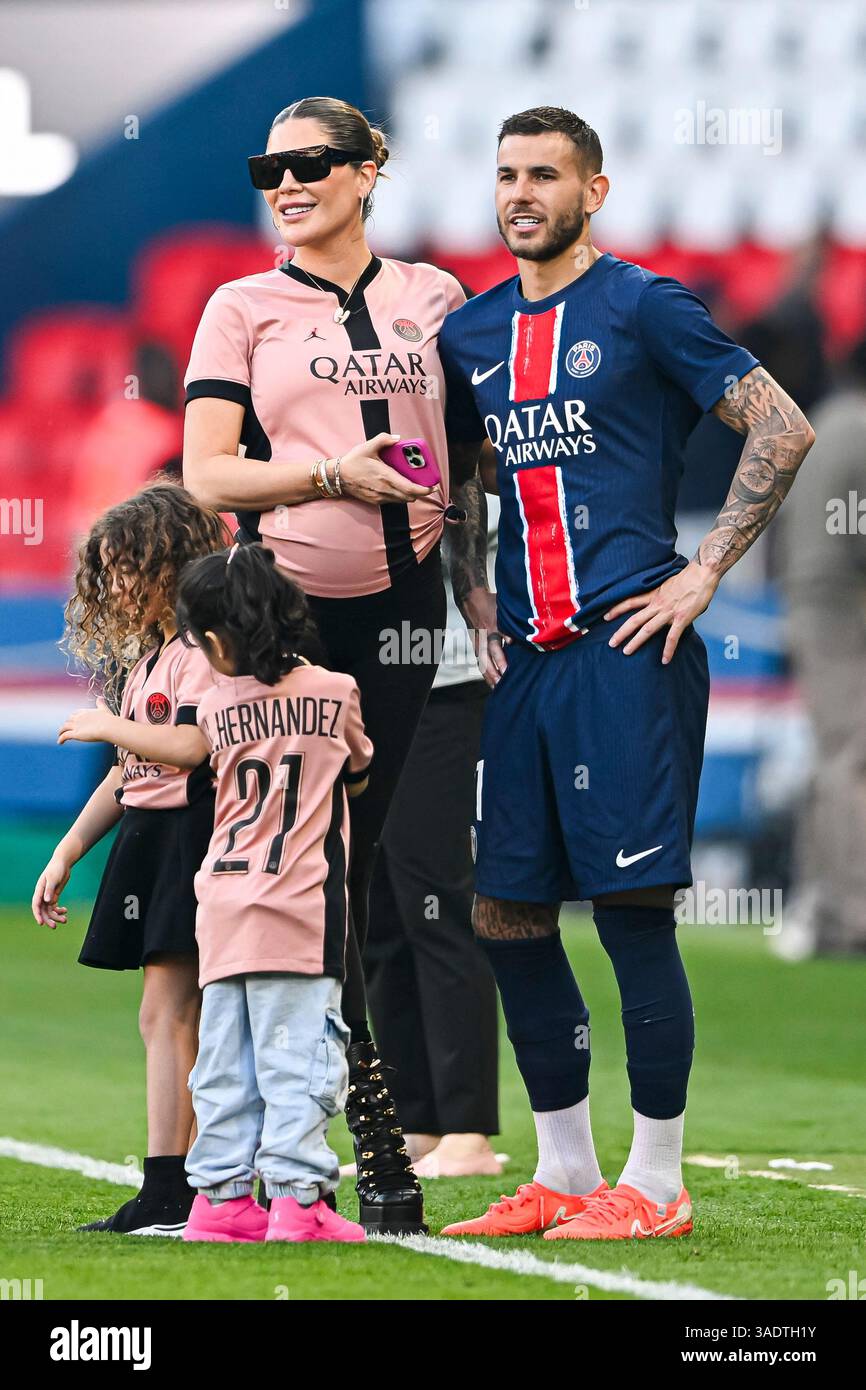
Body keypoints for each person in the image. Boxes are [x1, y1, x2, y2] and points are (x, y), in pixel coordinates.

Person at [436, 106, 815, 1240]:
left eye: (543, 175)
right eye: (504, 173)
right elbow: (457, 472)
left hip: (629, 655)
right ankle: (561, 1171)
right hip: (527, 668)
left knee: (629, 913)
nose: (518, 193)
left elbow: (781, 428)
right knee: (504, 911)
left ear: (590, 192)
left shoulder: (643, 305)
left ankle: (654, 1185)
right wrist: (470, 597)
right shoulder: (474, 332)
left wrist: (701, 573)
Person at [182, 95, 496, 1232]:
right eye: (271, 164)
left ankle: (345, 1140)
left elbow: (463, 465)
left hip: (409, 607)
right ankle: (307, 1149)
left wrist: (472, 593)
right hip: (285, 618)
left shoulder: (433, 297)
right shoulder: (240, 305)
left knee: (367, 877)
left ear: (372, 170)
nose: (288, 181)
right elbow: (208, 477)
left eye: (313, 161)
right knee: (300, 876)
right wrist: (327, 478)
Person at [62, 542, 370, 1243]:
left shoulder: (218, 707)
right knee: (301, 1057)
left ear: (214, 639)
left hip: (222, 906)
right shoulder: (336, 690)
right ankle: (299, 1203)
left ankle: (220, 1202)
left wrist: (111, 727)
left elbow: (184, 753)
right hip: (300, 908)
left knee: (223, 1060)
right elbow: (358, 771)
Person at [35, 482, 228, 1235]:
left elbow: (191, 746)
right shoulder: (145, 659)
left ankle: (172, 1187)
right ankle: (189, 1182)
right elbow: (127, 770)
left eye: (128, 568)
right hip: (150, 842)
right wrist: (70, 848)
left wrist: (105, 723)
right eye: (108, 570)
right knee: (172, 1013)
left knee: (172, 1010)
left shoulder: (201, 652)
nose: (114, 585)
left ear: (173, 567)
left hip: (192, 837)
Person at [364, 498, 502, 1178]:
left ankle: (469, 1129)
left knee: (439, 904)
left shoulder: (454, 452)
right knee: (381, 915)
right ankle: (415, 1119)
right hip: (368, 687)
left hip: (444, 686)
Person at [777, 336, 866, 958]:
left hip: (807, 602)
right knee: (854, 758)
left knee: (832, 755)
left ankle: (821, 904)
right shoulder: (860, 429)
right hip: (843, 607)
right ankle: (854, 913)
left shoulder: (821, 425)